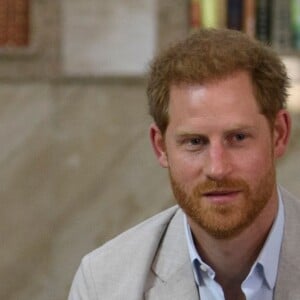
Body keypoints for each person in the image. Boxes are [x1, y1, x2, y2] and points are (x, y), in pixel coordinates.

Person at [68, 28, 300, 300]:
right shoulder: (104, 283)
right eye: (195, 142)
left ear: (279, 135)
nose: (217, 168)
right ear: (160, 146)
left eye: (238, 137)